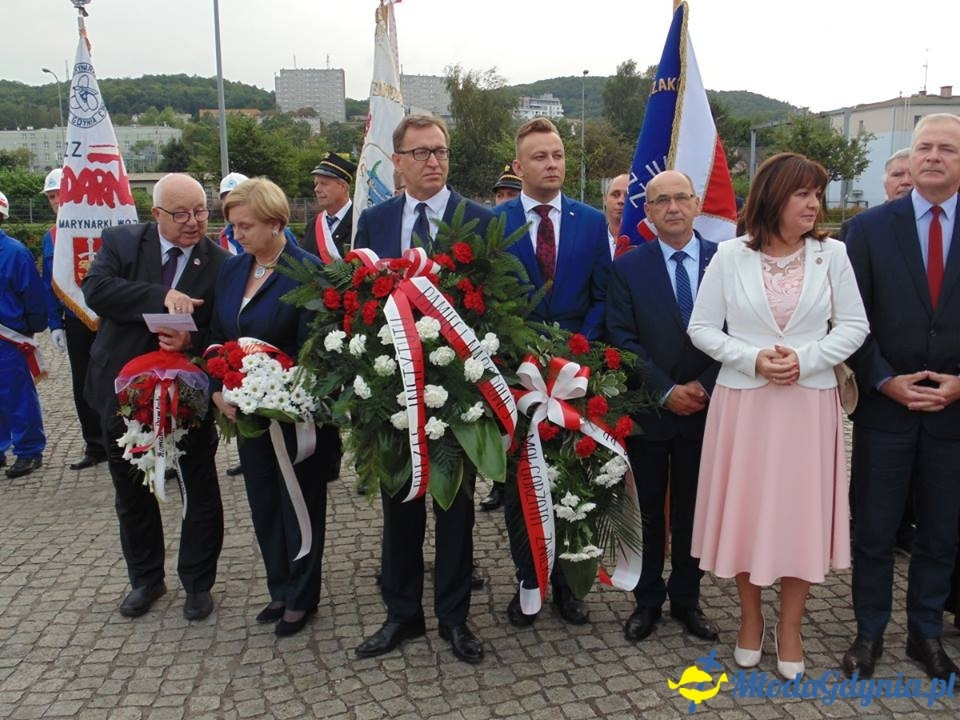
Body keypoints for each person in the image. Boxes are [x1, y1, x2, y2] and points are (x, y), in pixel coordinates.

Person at [687, 152, 868, 681]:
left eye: (818, 194)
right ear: (773, 197)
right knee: (746, 512)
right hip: (744, 403)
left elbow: (854, 325)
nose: (814, 204)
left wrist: (805, 359)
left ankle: (791, 627)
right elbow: (702, 327)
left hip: (807, 405)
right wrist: (753, 358)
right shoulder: (728, 256)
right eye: (802, 194)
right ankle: (750, 620)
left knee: (797, 516)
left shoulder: (831, 255)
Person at [352, 115, 492, 664]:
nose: (434, 161)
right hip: (393, 391)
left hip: (458, 390)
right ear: (398, 163)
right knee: (400, 505)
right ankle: (402, 614)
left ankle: (454, 619)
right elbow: (358, 301)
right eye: (421, 153)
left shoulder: (478, 220)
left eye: (441, 151)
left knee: (455, 509)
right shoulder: (377, 222)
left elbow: (499, 301)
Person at [841, 113, 960, 682]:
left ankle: (926, 634)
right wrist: (885, 379)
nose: (935, 157)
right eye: (925, 148)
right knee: (876, 530)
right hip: (886, 408)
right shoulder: (867, 230)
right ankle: (869, 632)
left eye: (949, 149)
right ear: (909, 159)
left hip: (953, 412)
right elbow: (850, 320)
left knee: (940, 532)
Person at [83, 173, 228, 621]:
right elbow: (97, 291)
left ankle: (197, 583)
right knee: (131, 491)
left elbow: (221, 328)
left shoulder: (219, 262)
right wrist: (163, 296)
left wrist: (192, 342)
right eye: (181, 213)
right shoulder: (123, 242)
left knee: (198, 489)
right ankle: (145, 579)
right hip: (121, 391)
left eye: (201, 211)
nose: (193, 222)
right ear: (156, 215)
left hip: (186, 397)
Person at [210, 178, 342, 637]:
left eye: (245, 226)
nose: (237, 234)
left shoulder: (308, 272)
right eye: (233, 226)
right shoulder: (231, 270)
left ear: (276, 223)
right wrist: (217, 389)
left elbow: (314, 352)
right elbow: (217, 337)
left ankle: (303, 597)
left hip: (294, 417)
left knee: (300, 505)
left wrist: (273, 394)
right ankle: (280, 586)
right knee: (264, 502)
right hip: (247, 416)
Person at [494, 116, 611, 628]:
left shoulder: (589, 222)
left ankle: (568, 583)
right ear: (520, 167)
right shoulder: (494, 223)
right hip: (516, 372)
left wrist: (575, 351)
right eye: (540, 157)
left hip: (575, 370)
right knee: (521, 480)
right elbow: (489, 296)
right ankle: (528, 577)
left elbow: (603, 294)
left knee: (571, 478)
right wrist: (519, 354)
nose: (552, 164)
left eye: (559, 155)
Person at [605, 170, 720, 644]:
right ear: (647, 213)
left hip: (709, 410)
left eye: (681, 198)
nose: (672, 208)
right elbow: (622, 339)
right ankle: (647, 601)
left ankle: (687, 600)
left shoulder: (726, 261)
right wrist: (666, 389)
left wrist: (706, 385)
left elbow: (743, 330)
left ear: (696, 204)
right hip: (651, 413)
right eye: (660, 201)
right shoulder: (628, 268)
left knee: (694, 512)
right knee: (649, 511)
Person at [39, 168, 107, 471]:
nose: (56, 201)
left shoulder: (98, 228)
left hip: (106, 317)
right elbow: (49, 282)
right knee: (82, 384)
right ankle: (95, 445)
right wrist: (55, 324)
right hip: (74, 318)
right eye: (52, 197)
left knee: (111, 379)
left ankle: (120, 437)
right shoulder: (50, 237)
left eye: (59, 195)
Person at [0, 190, 47, 478]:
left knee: (17, 397)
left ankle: (29, 450)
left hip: (9, 339)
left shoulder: (15, 253)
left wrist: (31, 328)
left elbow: (33, 295)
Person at [300, 152, 357, 260]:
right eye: (316, 184)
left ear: (343, 186)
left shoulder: (359, 220)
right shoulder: (313, 224)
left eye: (323, 184)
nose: (316, 189)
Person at [603, 173, 629, 259]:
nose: (621, 201)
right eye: (616, 194)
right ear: (605, 199)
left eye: (627, 196)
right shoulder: (591, 241)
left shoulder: (645, 242)